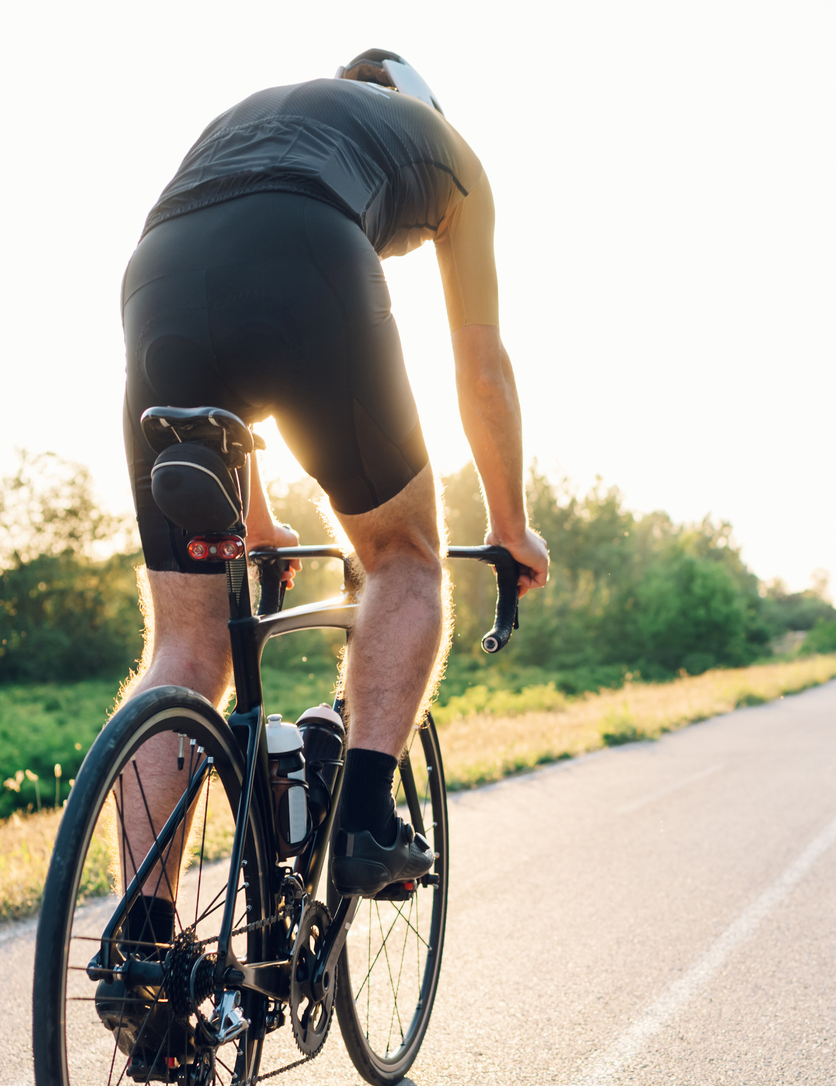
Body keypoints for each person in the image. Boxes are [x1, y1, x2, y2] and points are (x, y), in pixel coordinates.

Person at [114, 50, 549, 902]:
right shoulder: (452, 157)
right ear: (421, 108)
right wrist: (509, 521)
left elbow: (233, 347)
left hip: (158, 273)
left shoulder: (259, 119)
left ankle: (143, 945)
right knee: (406, 560)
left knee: (187, 643)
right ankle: (362, 819)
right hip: (308, 248)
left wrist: (255, 518)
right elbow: (481, 367)